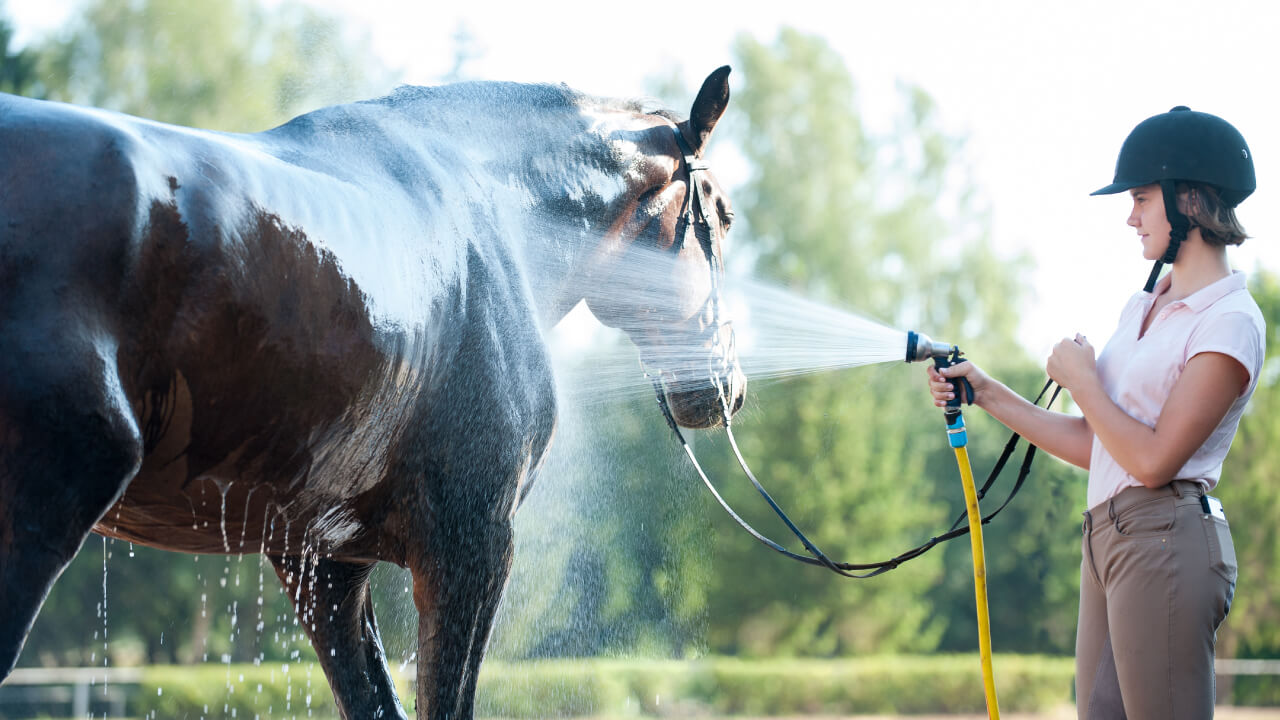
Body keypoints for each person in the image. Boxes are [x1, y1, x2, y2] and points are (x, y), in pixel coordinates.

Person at [927, 107, 1264, 719]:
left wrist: (1082, 380)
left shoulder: (1230, 321)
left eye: (1140, 198)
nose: (1130, 215)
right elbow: (1101, 443)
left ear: (1188, 201)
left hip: (1165, 537)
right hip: (1107, 537)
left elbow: (1155, 460)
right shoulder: (1142, 308)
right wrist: (987, 391)